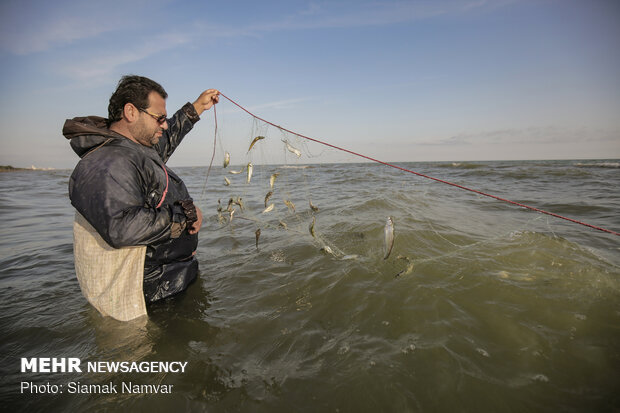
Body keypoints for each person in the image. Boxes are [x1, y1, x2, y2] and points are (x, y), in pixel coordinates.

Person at [63, 75, 219, 312]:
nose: (164, 125)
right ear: (131, 112)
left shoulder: (135, 151)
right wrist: (186, 214)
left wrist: (196, 108)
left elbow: (165, 140)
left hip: (171, 282)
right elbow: (122, 227)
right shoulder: (109, 162)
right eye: (159, 118)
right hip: (152, 300)